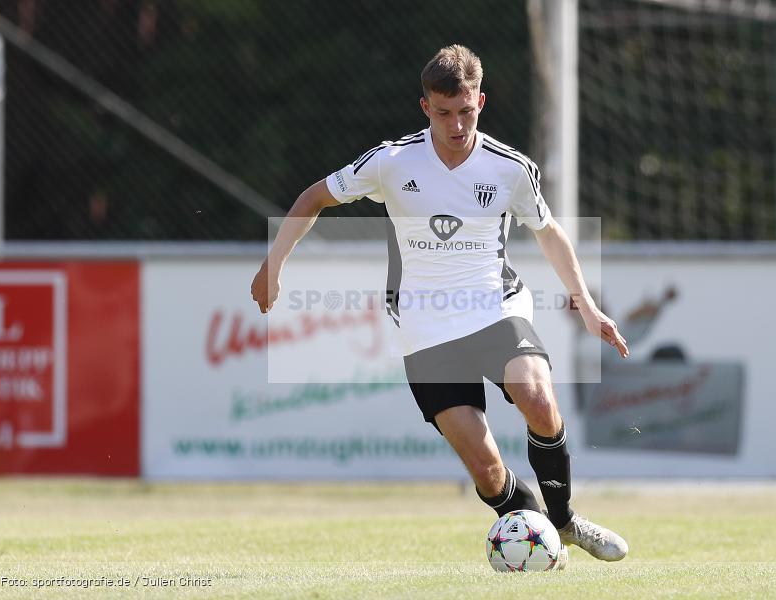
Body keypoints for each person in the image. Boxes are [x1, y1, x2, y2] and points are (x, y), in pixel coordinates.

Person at [251, 44, 630, 563]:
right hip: (425, 327)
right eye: (444, 112)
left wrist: (586, 304)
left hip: (495, 307)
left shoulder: (510, 168)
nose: (456, 125)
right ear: (426, 106)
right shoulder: (390, 162)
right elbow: (313, 197)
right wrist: (274, 264)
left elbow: (549, 232)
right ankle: (533, 532)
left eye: (466, 111)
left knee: (537, 399)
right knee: (487, 469)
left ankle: (563, 523)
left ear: (481, 101)